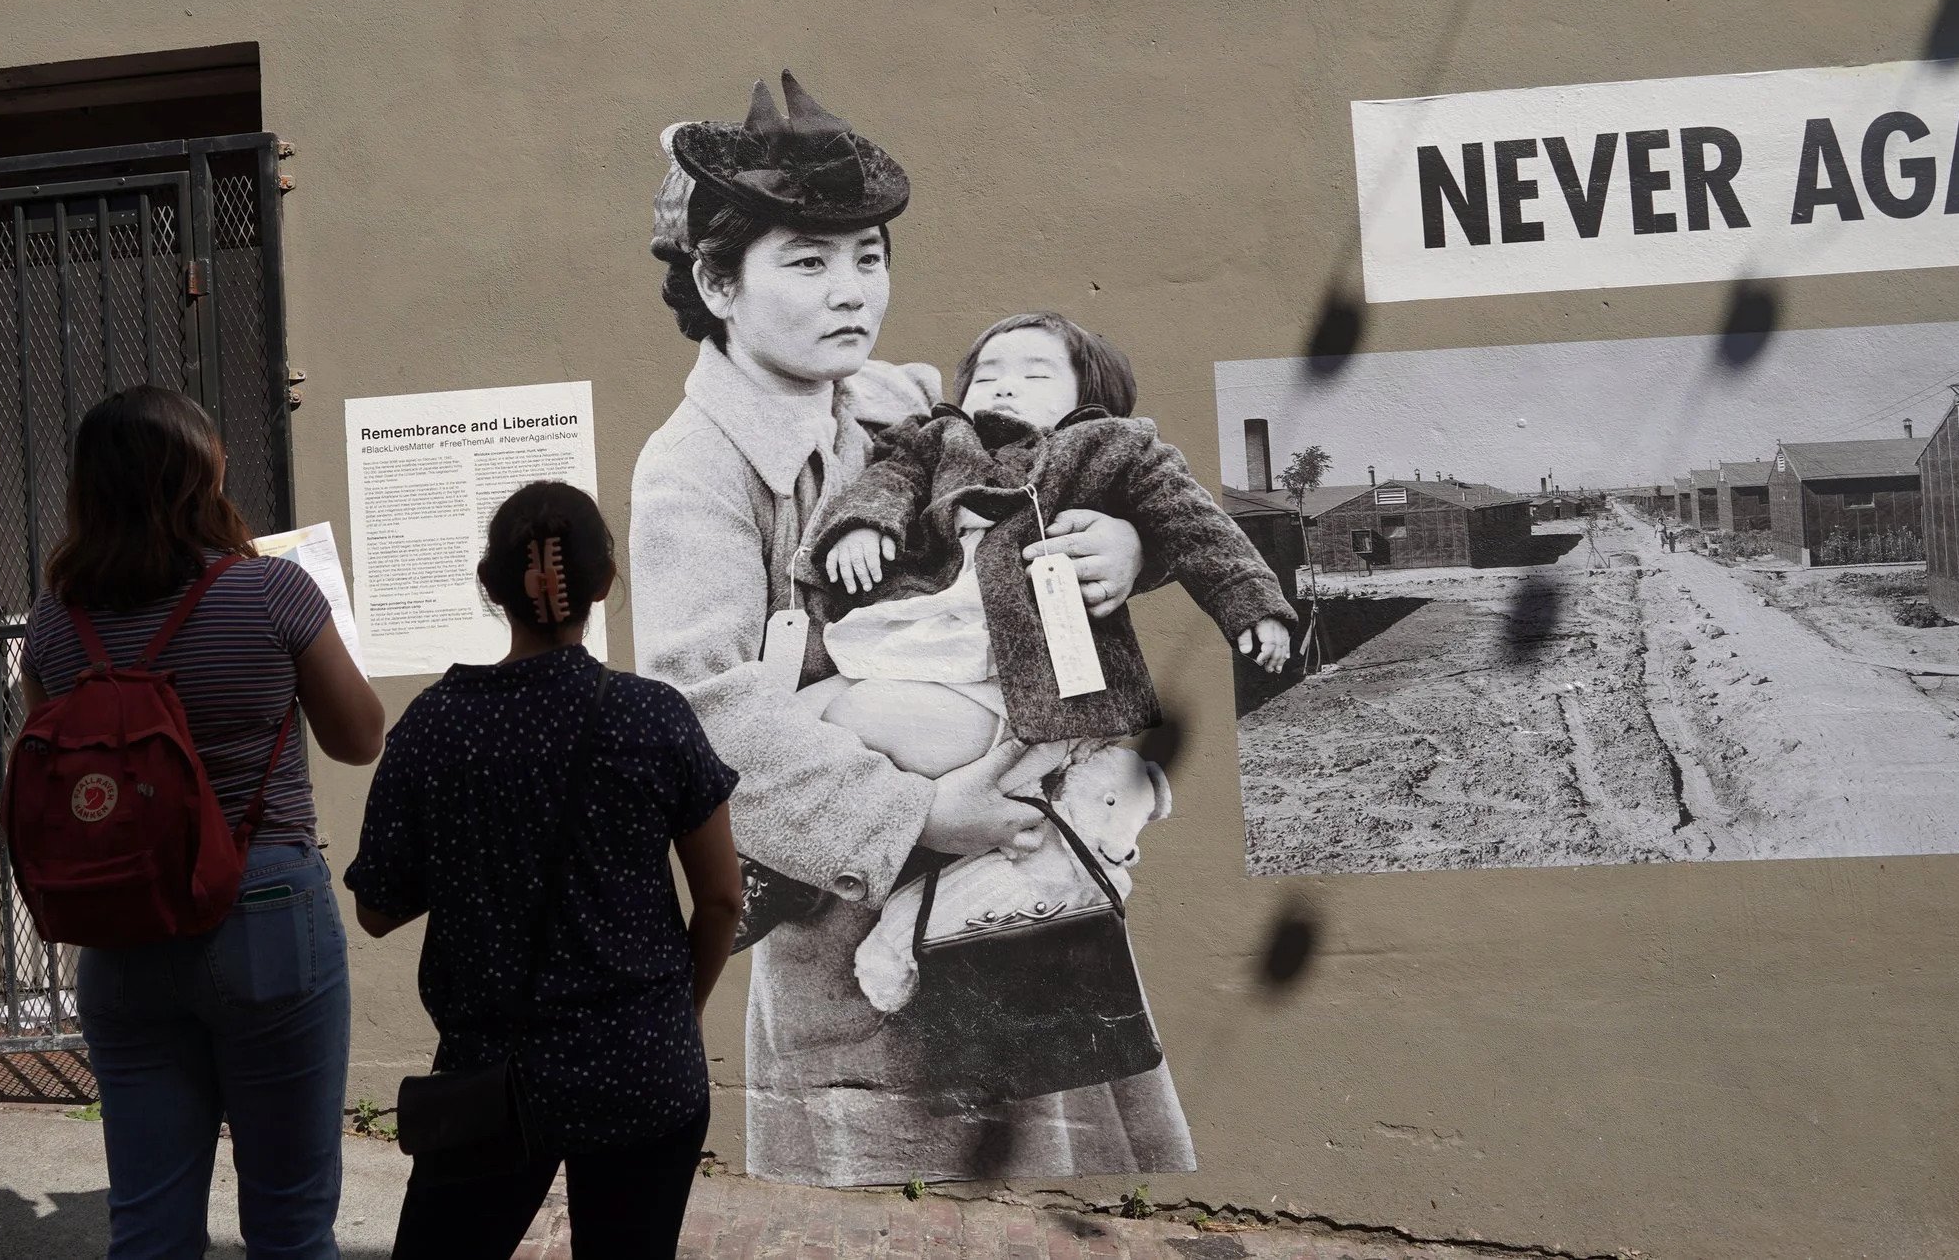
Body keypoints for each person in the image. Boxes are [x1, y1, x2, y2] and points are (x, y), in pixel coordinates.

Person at [627, 71, 1194, 1187]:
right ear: (716, 281)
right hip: (857, 932)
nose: (852, 291)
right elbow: (700, 709)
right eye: (807, 260)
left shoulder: (897, 416)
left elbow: (1074, 477)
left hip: (1022, 894)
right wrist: (926, 811)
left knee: (1039, 1205)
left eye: (868, 256)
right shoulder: (693, 469)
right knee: (888, 1214)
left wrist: (1132, 552)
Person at [19, 385, 389, 1260]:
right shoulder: (271, 591)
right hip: (263, 909)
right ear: (201, 473)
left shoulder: (55, 624)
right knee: (292, 1221)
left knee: (147, 1223)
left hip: (122, 926)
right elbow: (360, 737)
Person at [350, 481, 744, 1260]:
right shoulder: (653, 716)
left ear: (491, 586)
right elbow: (724, 898)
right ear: (602, 585)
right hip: (643, 1063)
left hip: (494, 1078)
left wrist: (474, 853)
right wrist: (679, 1013)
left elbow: (376, 908)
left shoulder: (435, 727)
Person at [806, 308, 1296, 775]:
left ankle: (1024, 758)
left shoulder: (1113, 445)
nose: (1004, 387)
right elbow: (891, 476)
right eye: (986, 375)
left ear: (1090, 397)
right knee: (800, 711)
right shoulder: (938, 437)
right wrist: (863, 523)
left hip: (1021, 666)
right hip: (924, 618)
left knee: (859, 716)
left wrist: (1251, 604)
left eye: (1036, 376)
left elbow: (1193, 522)